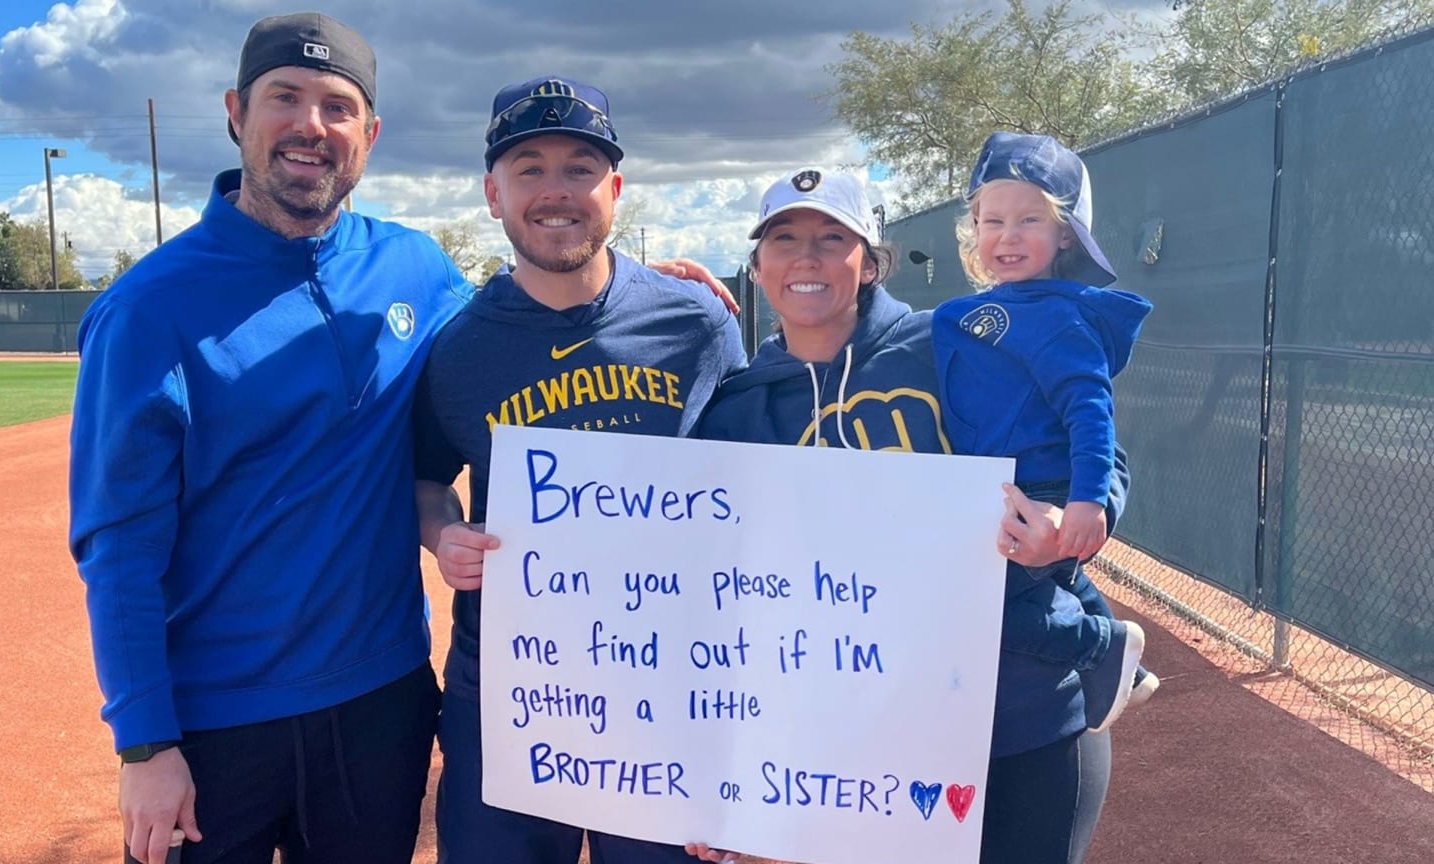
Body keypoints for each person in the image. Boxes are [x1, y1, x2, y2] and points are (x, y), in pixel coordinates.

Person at [68, 12, 470, 864]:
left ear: (370, 133)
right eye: (284, 98)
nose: (310, 126)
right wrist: (145, 746)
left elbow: (520, 339)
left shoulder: (416, 267)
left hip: (381, 704)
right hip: (215, 723)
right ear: (236, 114)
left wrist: (638, 292)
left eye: (337, 106)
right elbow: (119, 544)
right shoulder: (147, 308)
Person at [686, 167, 1132, 864]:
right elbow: (714, 594)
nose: (808, 258)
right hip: (862, 744)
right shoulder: (737, 412)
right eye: (785, 239)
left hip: (1020, 714)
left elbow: (1097, 460)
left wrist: (1067, 521)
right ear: (758, 265)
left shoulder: (955, 344)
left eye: (834, 238)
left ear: (871, 262)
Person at [412, 76, 747, 864]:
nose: (555, 191)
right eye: (529, 168)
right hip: (509, 694)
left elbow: (754, 485)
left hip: (670, 695)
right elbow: (426, 478)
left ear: (616, 189)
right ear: (493, 193)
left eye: (580, 167)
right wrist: (443, 533)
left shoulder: (696, 322)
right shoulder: (457, 347)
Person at [936, 131, 1156, 732]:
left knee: (984, 605)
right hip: (1006, 482)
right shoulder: (989, 307)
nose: (1007, 236)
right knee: (1053, 580)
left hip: (1044, 486)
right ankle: (1129, 668)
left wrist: (1087, 500)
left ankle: (1097, 648)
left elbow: (1090, 409)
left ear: (1064, 235)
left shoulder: (1059, 315)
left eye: (1030, 220)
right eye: (992, 219)